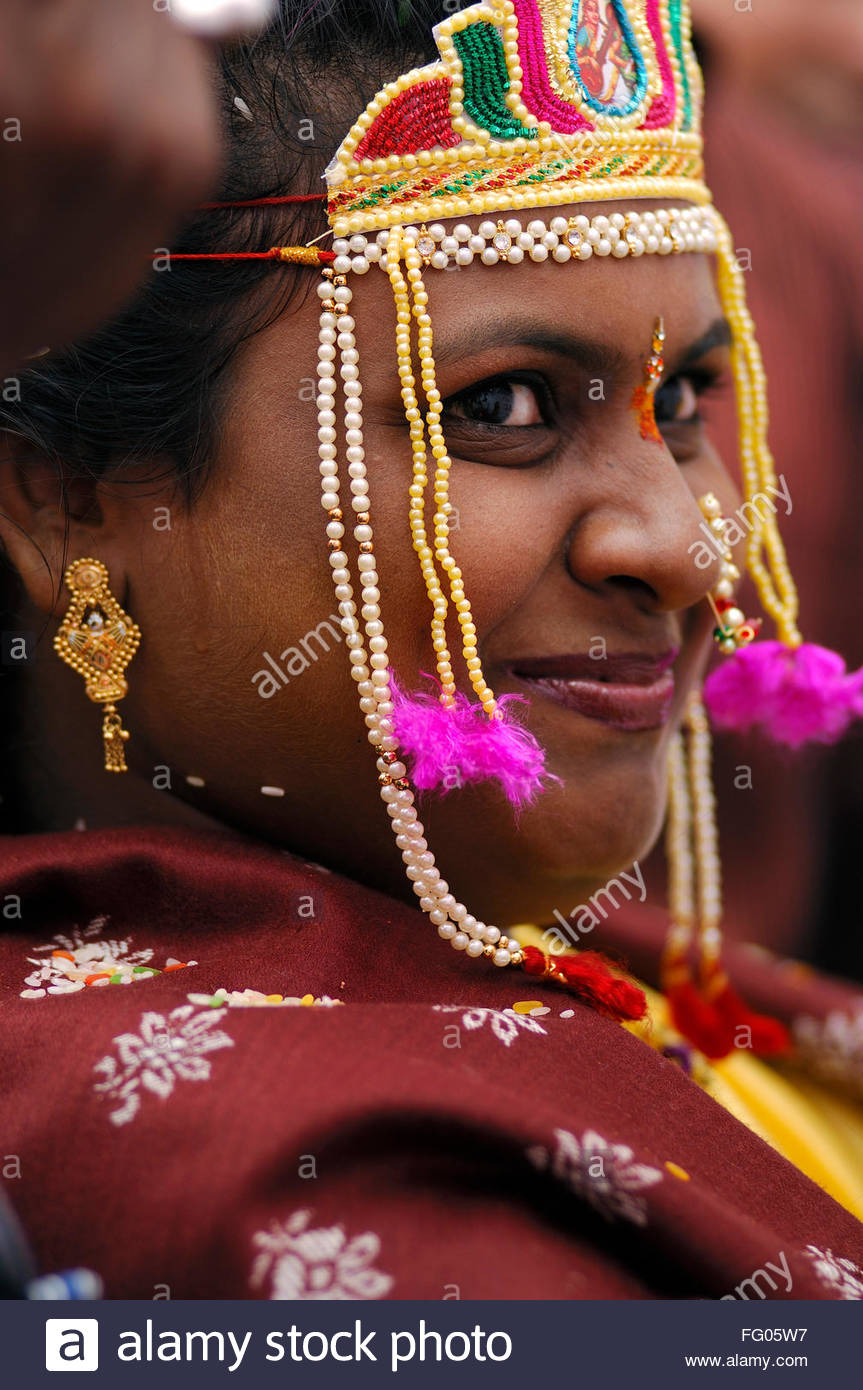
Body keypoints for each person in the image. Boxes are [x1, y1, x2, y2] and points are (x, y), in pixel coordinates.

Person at [1, 0, 862, 1301]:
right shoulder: (320, 1192)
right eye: (501, 406)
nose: (686, 546)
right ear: (60, 497)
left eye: (681, 399)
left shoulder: (603, 976)